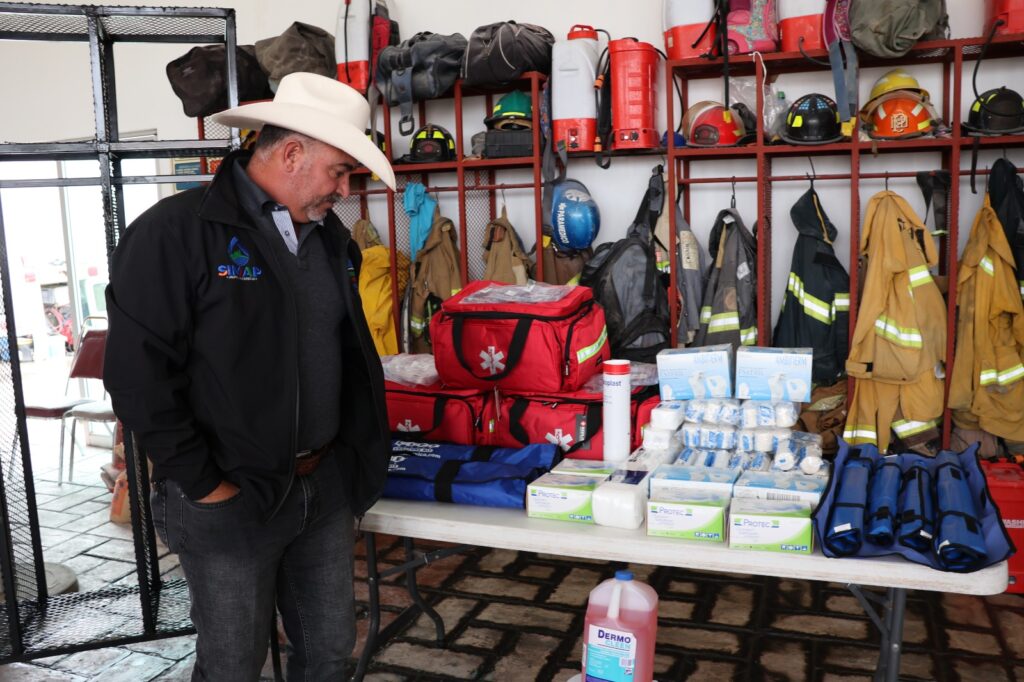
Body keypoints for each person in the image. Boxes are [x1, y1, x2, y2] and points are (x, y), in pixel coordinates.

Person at [103, 72, 397, 681]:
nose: (344, 189)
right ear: (291, 154)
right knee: (233, 665)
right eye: (340, 171)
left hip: (322, 487)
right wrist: (206, 486)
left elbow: (343, 354)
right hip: (228, 495)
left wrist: (350, 462)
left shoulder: (329, 239)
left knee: (328, 652)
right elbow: (137, 377)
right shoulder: (174, 233)